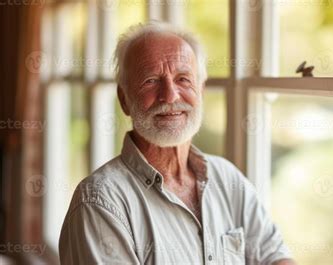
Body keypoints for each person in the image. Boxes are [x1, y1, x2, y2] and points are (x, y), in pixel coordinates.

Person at [59, 21, 295, 265]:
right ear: (124, 99)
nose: (170, 96)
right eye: (150, 81)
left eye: (183, 79)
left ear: (201, 91)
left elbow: (275, 257)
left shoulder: (228, 178)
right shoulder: (100, 202)